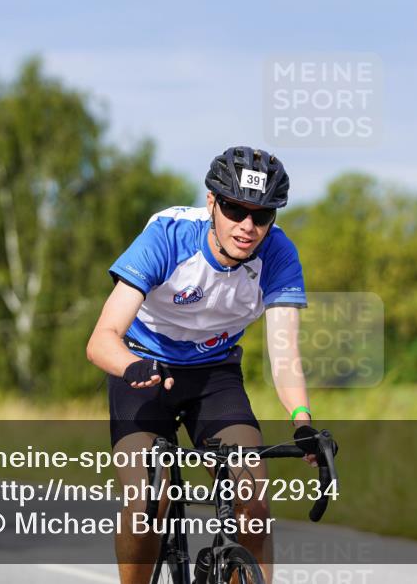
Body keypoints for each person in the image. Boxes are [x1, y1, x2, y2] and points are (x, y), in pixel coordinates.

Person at [86, 146, 316, 584]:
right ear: (212, 203)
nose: (247, 226)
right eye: (235, 209)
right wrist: (131, 367)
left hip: (215, 374)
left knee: (254, 504)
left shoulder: (279, 255)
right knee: (147, 503)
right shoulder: (168, 236)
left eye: (262, 215)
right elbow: (101, 339)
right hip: (144, 370)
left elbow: (285, 353)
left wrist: (302, 421)